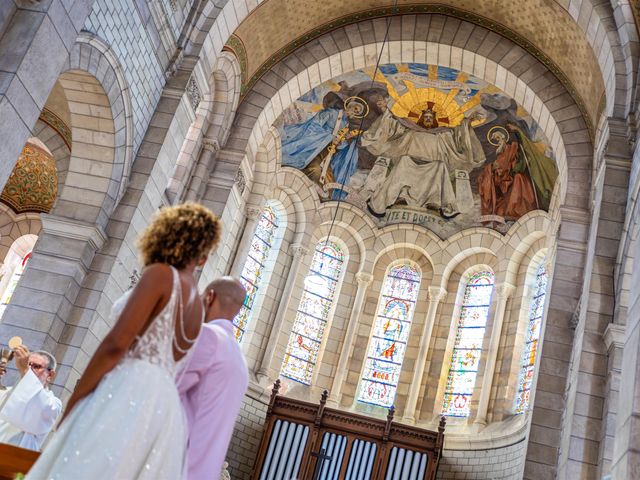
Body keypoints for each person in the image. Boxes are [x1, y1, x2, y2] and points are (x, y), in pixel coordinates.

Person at [26, 203, 221, 480]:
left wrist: (75, 400)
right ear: (202, 253)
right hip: (163, 406)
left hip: (129, 388)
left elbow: (116, 344)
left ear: (168, 233)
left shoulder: (161, 275)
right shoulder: (197, 306)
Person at [178, 277, 249, 480]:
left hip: (179, 462)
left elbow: (168, 388)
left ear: (209, 297)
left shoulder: (209, 336)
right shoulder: (239, 360)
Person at [0, 346, 61, 450]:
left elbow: (37, 409)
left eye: (36, 366)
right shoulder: (7, 392)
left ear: (50, 374)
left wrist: (25, 370)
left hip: (18, 459)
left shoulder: (53, 403)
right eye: (28, 364)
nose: (30, 370)